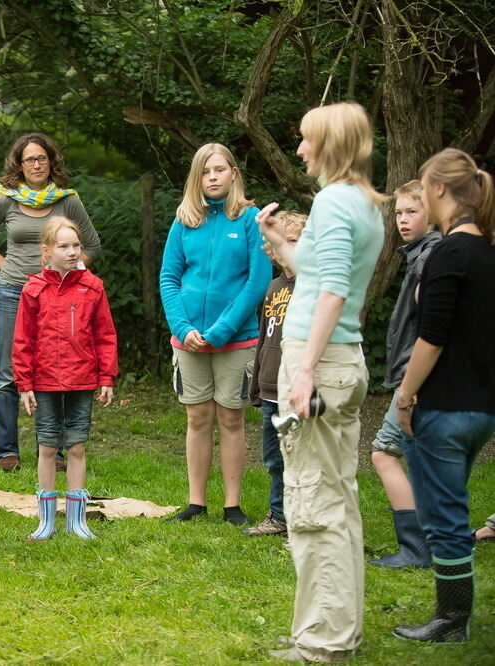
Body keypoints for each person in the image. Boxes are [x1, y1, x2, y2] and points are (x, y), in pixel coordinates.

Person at [258, 102, 385, 663]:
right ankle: (334, 630)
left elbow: (332, 291)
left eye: (308, 141)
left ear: (331, 144)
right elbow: (319, 273)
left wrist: (303, 371)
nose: (301, 150)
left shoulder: (335, 201)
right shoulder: (363, 203)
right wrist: (279, 244)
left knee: (313, 505)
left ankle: (324, 643)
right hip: (340, 359)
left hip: (322, 362)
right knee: (337, 498)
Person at [392, 148, 495, 644]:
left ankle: (452, 620)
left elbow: (431, 337)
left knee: (446, 520)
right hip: (482, 408)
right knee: (451, 512)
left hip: (444, 408)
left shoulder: (449, 252)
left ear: (436, 191)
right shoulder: (489, 249)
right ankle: (453, 614)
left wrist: (406, 396)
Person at [0, 132, 102, 472]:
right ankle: (6, 451)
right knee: (6, 373)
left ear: (51, 161)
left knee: (55, 369)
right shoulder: (6, 199)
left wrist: (72, 269)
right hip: (13, 291)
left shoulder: (67, 200)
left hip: (58, 294)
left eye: (41, 158)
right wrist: (5, 265)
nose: (36, 164)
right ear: (19, 164)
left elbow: (93, 245)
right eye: (29, 159)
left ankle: (56, 450)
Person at [159, 143, 270, 526]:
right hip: (188, 340)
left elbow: (258, 281)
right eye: (205, 172)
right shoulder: (184, 220)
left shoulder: (250, 219)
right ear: (197, 178)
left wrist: (222, 330)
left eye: (220, 170)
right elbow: (169, 278)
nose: (212, 177)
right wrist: (183, 327)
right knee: (198, 417)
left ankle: (233, 505)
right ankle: (196, 502)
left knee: (232, 418)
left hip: (236, 340)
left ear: (234, 173)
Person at [12, 217, 117, 541]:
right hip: (43, 381)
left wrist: (106, 377)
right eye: (64, 246)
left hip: (82, 379)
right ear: (47, 251)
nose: (73, 252)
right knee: (46, 447)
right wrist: (24, 383)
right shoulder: (33, 289)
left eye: (76, 245)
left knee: (76, 446)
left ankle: (77, 521)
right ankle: (46, 521)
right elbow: (23, 339)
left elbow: (105, 334)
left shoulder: (93, 288)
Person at [368, 180, 441, 569]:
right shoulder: (418, 255)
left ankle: (415, 547)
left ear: (432, 212)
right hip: (417, 376)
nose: (402, 219)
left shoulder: (429, 257)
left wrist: (408, 384)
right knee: (421, 458)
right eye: (398, 212)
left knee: (384, 452)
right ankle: (435, 539)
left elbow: (431, 328)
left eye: (412, 211)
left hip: (418, 377)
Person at [242, 211, 306, 538]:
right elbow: (267, 339)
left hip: (295, 388)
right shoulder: (273, 287)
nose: (284, 248)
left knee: (298, 455)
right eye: (280, 242)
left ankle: (301, 517)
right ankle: (278, 515)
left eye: (293, 241)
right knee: (273, 457)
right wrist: (256, 383)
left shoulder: (310, 287)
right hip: (269, 386)